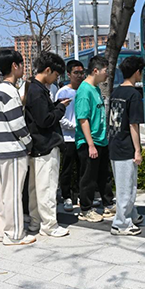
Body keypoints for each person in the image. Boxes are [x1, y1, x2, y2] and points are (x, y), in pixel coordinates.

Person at [0, 50, 35, 246]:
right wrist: (29, 143)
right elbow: (17, 123)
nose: (23, 68)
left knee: (6, 193)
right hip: (13, 148)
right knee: (14, 194)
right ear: (14, 66)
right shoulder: (9, 91)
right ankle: (14, 234)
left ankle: (4, 231)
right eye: (22, 64)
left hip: (3, 149)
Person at [25, 52, 70, 237]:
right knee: (47, 187)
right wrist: (61, 108)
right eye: (56, 75)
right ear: (48, 70)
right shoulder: (38, 91)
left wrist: (56, 105)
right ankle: (49, 225)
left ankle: (35, 222)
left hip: (36, 145)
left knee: (35, 189)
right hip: (46, 144)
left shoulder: (32, 88)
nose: (55, 79)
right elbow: (45, 120)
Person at [108, 56, 145, 236]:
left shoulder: (116, 92)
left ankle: (131, 214)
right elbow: (133, 124)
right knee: (127, 187)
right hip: (125, 146)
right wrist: (138, 150)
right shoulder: (134, 95)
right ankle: (121, 224)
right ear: (137, 72)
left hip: (114, 144)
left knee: (125, 184)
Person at [75, 55, 115, 223]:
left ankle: (108, 204)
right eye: (106, 70)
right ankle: (85, 209)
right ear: (96, 70)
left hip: (101, 140)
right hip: (89, 142)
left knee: (104, 175)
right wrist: (90, 144)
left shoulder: (96, 89)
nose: (107, 74)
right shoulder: (84, 91)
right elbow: (83, 119)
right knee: (88, 178)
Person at [56, 60, 84, 212]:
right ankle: (66, 196)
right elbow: (59, 116)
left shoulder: (85, 90)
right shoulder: (63, 92)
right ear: (68, 74)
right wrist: (75, 127)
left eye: (81, 73)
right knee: (67, 168)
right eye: (76, 73)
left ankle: (80, 195)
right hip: (68, 138)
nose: (79, 76)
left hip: (83, 137)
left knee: (82, 168)